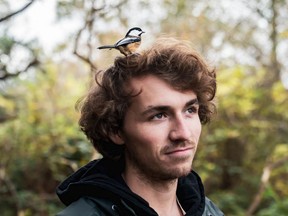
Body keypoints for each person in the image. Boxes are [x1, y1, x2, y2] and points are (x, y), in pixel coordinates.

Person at [56, 37, 224, 216]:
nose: (183, 133)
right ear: (115, 130)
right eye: (159, 115)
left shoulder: (210, 212)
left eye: (190, 110)